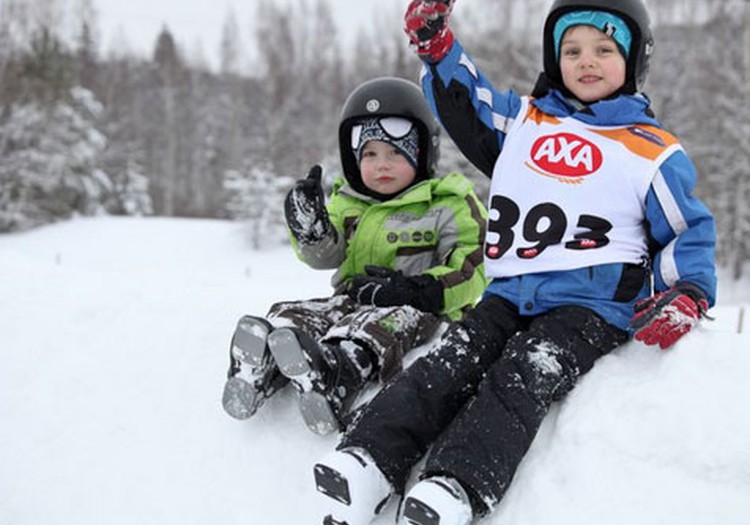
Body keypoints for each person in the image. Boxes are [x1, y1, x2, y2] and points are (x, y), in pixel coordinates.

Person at [311, 1, 718, 524]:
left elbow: (686, 230)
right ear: (554, 57)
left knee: (524, 374)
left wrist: (686, 291)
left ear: (635, 59)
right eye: (571, 50)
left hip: (589, 305)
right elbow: (469, 101)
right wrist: (439, 49)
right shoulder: (525, 120)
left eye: (604, 50)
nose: (586, 61)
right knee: (448, 361)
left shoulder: (651, 151)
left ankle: (455, 485)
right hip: (508, 292)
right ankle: (368, 458)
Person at [221, 76, 488, 436]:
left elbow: (473, 266)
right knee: (295, 312)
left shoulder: (448, 202)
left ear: (424, 152)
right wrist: (310, 228)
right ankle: (263, 367)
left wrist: (418, 291)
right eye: (370, 154)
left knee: (373, 327)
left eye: (396, 153)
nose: (382, 165)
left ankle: (339, 375)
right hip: (350, 301)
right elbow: (324, 256)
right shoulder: (349, 203)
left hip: (421, 313)